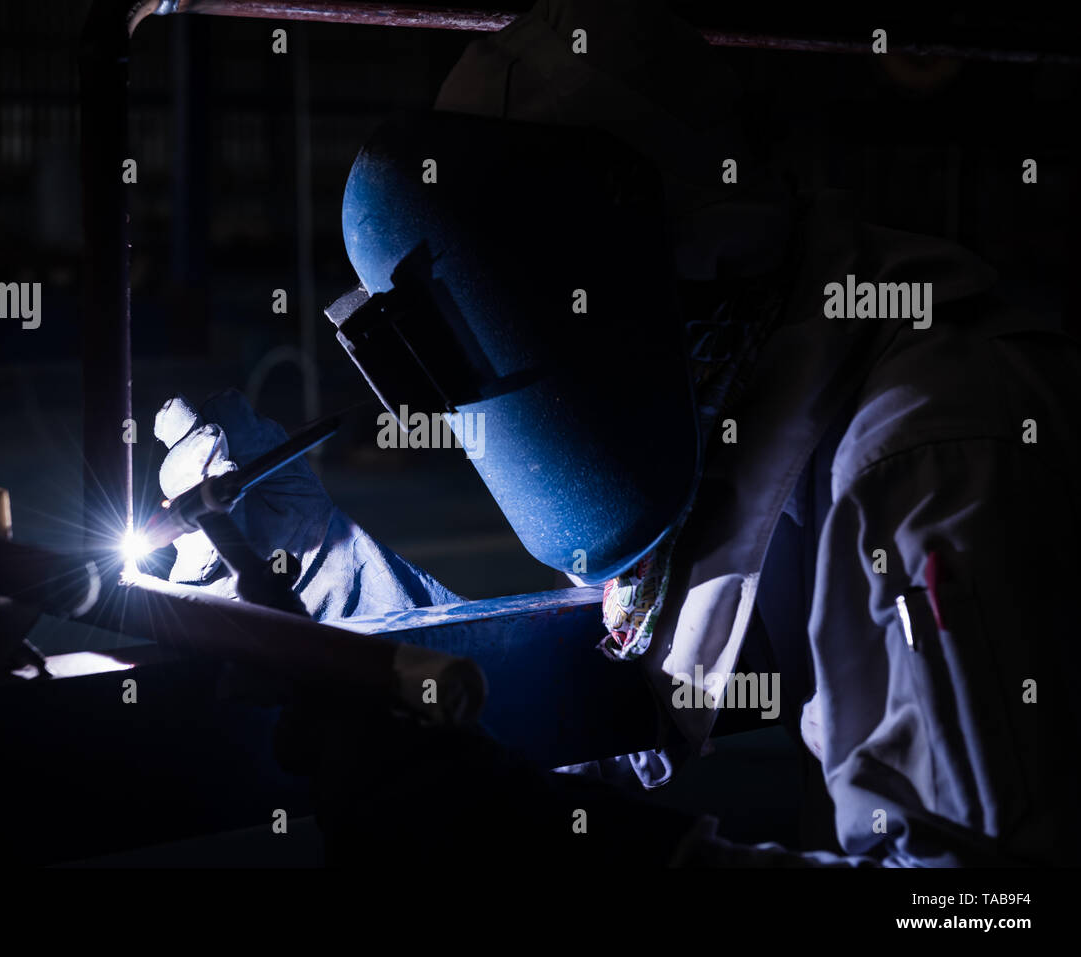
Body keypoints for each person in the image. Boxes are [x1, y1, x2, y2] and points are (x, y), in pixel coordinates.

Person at [151, 0, 1080, 866]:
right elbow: (596, 722)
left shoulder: (935, 461)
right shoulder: (740, 414)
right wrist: (317, 557)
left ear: (683, 259)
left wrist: (569, 847)